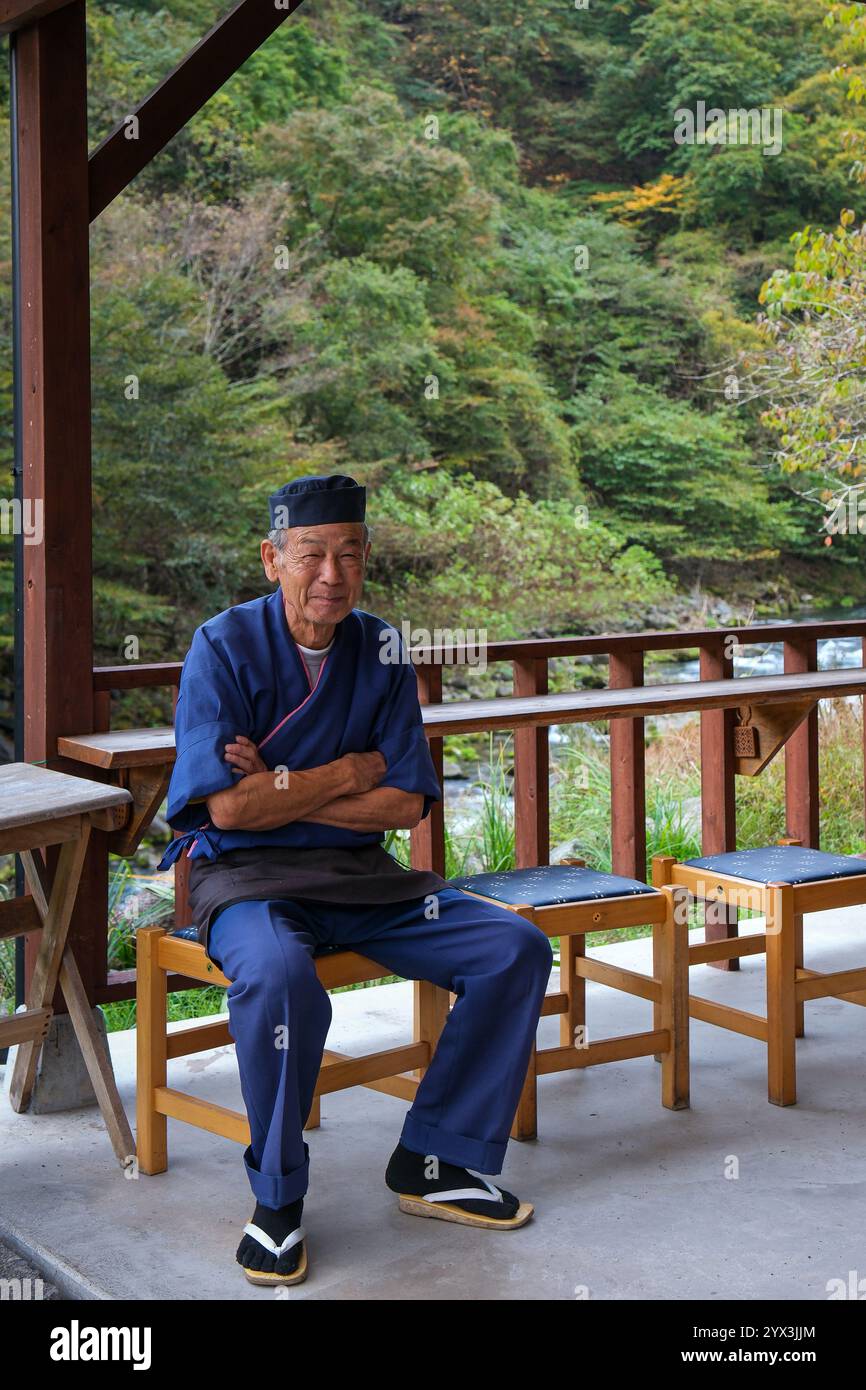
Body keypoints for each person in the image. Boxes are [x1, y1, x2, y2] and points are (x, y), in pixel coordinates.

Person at [157, 474, 553, 1287]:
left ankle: (435, 1159)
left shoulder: (380, 648)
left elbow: (405, 804)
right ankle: (276, 1201)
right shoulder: (222, 645)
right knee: (277, 980)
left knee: (512, 946)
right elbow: (226, 813)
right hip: (248, 882)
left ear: (366, 560)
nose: (330, 574)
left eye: (348, 555)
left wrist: (284, 785)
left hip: (363, 877)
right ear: (273, 559)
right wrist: (348, 772)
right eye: (311, 555)